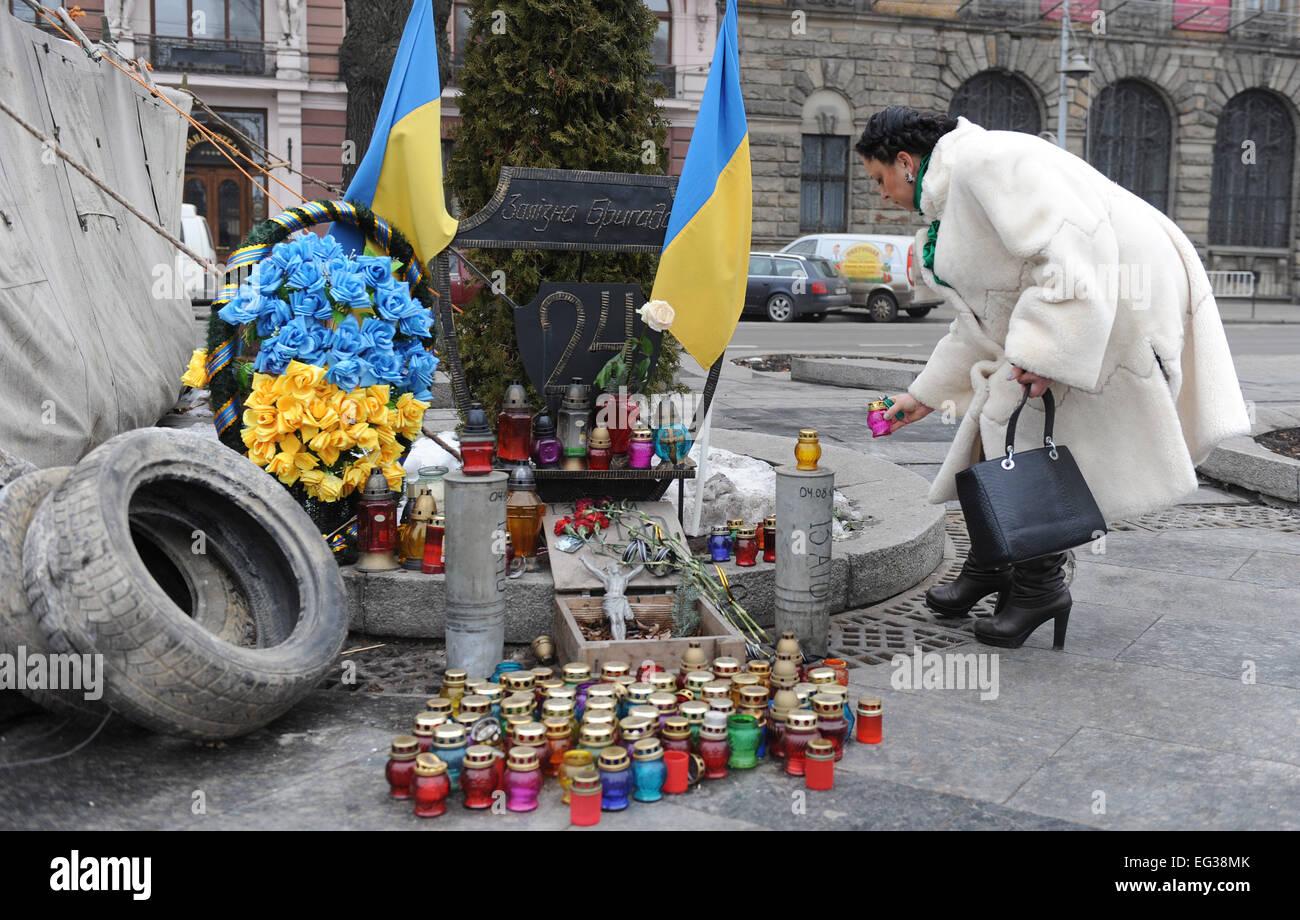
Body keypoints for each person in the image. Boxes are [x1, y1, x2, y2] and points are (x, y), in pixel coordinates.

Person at [857, 106, 1250, 650]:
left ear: (904, 161)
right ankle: (994, 565)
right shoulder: (958, 196)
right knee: (995, 427)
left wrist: (1044, 351)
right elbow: (982, 324)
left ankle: (1038, 587)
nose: (880, 193)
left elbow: (1071, 250)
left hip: (1114, 308)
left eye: (879, 178)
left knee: (1020, 437)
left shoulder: (984, 162)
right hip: (1090, 311)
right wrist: (923, 396)